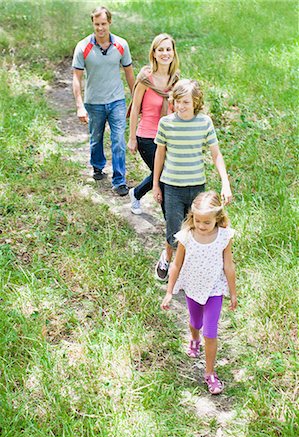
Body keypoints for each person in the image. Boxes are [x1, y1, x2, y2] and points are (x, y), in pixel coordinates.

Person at [153, 79, 232, 280]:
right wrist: (155, 185)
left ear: (196, 102)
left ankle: (189, 268)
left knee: (198, 230)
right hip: (172, 187)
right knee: (174, 231)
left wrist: (225, 183)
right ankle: (167, 256)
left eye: (186, 102)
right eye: (177, 101)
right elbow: (159, 155)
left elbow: (216, 154)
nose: (180, 106)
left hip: (197, 187)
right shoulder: (166, 123)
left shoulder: (204, 122)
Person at [161, 191, 237, 394]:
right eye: (197, 220)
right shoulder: (186, 236)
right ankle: (194, 339)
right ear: (192, 217)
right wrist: (169, 291)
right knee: (196, 323)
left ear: (217, 219)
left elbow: (229, 266)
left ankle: (210, 373)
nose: (201, 226)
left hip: (215, 289)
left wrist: (233, 292)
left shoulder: (224, 237)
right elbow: (176, 265)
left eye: (207, 222)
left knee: (210, 331)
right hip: (193, 287)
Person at [72, 6, 135, 196]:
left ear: (110, 23)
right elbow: (76, 78)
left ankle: (119, 180)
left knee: (118, 140)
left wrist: (136, 100)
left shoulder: (121, 45)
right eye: (96, 24)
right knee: (96, 138)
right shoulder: (83, 47)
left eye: (103, 24)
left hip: (116, 100)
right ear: (92, 23)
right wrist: (80, 106)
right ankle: (97, 165)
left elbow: (130, 74)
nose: (100, 28)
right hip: (94, 102)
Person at [127, 33, 180, 214]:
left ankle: (136, 192)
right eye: (161, 50)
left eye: (168, 49)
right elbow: (135, 109)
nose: (165, 53)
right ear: (154, 54)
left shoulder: (176, 80)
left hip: (169, 137)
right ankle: (172, 225)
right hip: (147, 136)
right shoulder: (145, 79)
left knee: (163, 174)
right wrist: (132, 137)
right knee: (164, 176)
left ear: (173, 53)